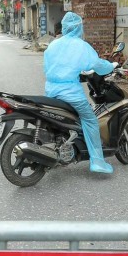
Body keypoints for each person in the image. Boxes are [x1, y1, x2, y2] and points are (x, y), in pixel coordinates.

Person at [43, 11, 117, 174]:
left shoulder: (53, 44)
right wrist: (111, 66)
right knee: (90, 120)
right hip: (70, 93)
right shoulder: (81, 46)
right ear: (78, 28)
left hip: (51, 91)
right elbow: (98, 65)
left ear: (64, 27)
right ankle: (97, 161)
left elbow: (48, 68)